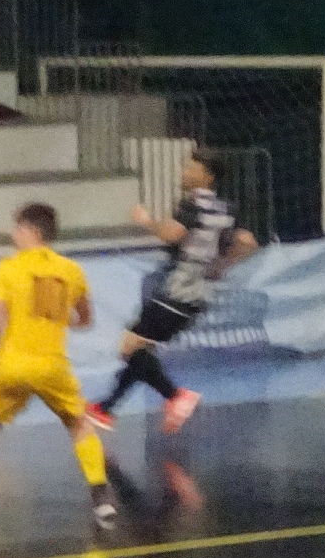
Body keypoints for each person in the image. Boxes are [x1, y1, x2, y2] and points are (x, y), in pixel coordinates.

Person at [0, 203, 117, 527]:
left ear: (31, 231)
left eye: (17, 227)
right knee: (77, 422)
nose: (12, 233)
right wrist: (61, 321)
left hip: (12, 366)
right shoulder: (71, 270)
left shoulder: (8, 269)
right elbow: (85, 319)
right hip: (52, 367)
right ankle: (101, 499)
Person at [86, 150, 258, 433]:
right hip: (200, 293)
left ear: (207, 177)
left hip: (179, 289)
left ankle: (175, 397)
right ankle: (106, 409)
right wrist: (221, 265)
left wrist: (146, 221)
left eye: (191, 169)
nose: (184, 173)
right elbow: (247, 242)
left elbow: (172, 234)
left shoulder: (193, 204)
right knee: (139, 349)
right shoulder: (226, 208)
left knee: (130, 348)